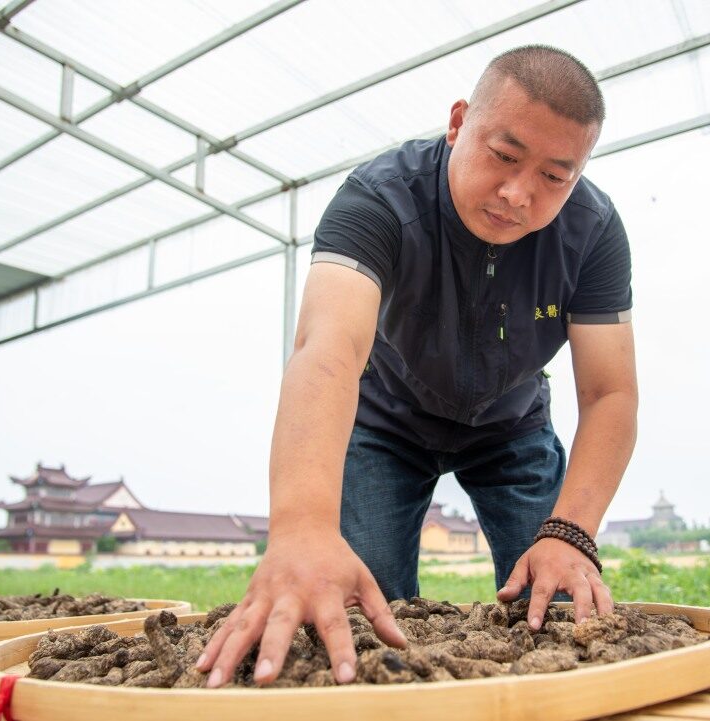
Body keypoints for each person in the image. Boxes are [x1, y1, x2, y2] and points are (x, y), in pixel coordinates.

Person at [197, 44, 637, 688]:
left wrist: (572, 532)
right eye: (504, 156)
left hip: (512, 423)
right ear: (458, 122)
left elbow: (609, 393)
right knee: (363, 612)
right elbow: (326, 351)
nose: (518, 194)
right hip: (387, 419)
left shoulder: (592, 231)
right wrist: (300, 529)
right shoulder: (378, 198)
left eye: (554, 177)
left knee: (561, 609)